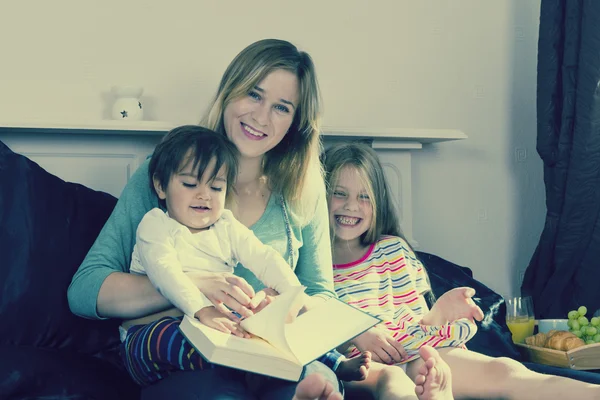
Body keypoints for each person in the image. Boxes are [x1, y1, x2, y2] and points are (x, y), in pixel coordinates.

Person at [68, 39, 343, 399]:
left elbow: (320, 294)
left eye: (281, 107)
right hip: (183, 354)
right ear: (229, 93)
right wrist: (195, 284)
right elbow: (87, 290)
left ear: (295, 122)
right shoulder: (171, 172)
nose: (261, 117)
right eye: (254, 95)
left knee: (310, 382)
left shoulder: (302, 193)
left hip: (268, 352)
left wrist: (286, 304)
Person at [322, 142, 600, 399]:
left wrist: (440, 312)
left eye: (364, 196)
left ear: (378, 203)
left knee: (504, 370)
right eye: (339, 193)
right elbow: (311, 324)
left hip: (415, 348)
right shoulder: (312, 264)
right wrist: (360, 335)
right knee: (393, 382)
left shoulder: (393, 250)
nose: (351, 206)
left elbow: (420, 324)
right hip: (361, 362)